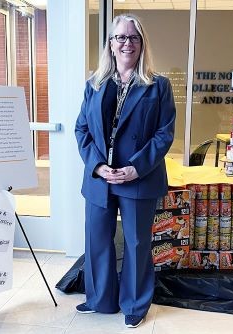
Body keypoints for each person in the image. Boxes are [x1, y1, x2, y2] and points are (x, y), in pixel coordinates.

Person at [74, 14, 176, 329]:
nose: (126, 43)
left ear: (141, 43)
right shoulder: (95, 83)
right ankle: (100, 299)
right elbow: (82, 130)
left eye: (133, 37)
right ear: (111, 44)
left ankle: (134, 305)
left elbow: (164, 133)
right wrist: (98, 166)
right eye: (120, 37)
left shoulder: (158, 85)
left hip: (138, 178)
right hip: (100, 178)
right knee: (97, 239)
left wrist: (136, 168)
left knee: (135, 243)